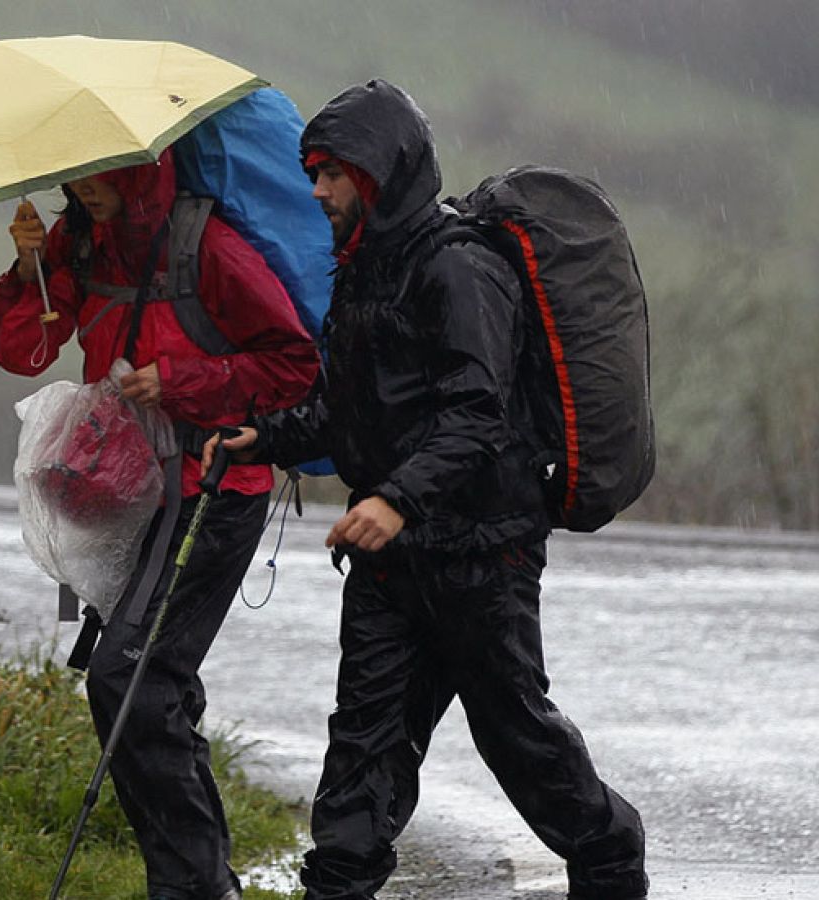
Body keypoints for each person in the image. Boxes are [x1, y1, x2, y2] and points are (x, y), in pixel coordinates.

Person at [203, 80, 650, 899]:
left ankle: (611, 860)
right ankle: (336, 886)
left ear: (380, 174)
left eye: (332, 173)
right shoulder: (362, 273)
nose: (318, 191)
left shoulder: (461, 270)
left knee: (517, 737)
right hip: (391, 567)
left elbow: (476, 417)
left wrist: (395, 498)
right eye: (314, 172)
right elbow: (349, 415)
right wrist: (264, 437)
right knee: (362, 751)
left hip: (483, 553)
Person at [0, 151, 320, 900]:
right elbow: (26, 351)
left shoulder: (206, 246)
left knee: (131, 679)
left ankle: (196, 887)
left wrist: (179, 383)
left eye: (100, 176)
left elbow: (295, 366)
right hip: (131, 497)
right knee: (152, 687)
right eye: (75, 176)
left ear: (140, 168)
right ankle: (196, 881)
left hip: (217, 491)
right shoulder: (81, 241)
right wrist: (27, 272)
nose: (84, 190)